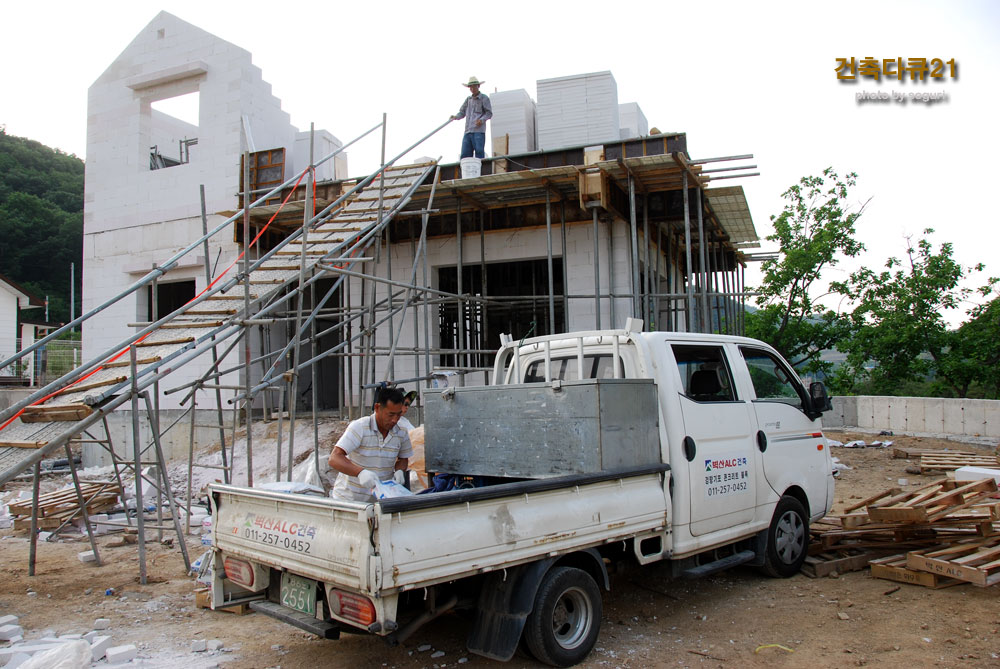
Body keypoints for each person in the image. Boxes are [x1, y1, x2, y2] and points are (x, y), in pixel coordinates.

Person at [328, 386, 413, 502]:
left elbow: (403, 459)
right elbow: (334, 458)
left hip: (379, 499)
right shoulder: (360, 427)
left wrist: (399, 471)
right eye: (390, 414)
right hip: (349, 500)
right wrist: (359, 472)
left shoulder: (401, 432)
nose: (394, 420)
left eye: (398, 415)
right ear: (377, 408)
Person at [450, 76, 492, 159]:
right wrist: (455, 117)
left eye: (474, 86)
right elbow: (462, 112)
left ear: (478, 86)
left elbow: (489, 113)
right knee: (465, 154)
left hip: (478, 131)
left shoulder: (484, 98)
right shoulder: (468, 100)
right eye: (471, 87)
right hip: (468, 131)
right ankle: (466, 170)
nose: (472, 88)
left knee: (479, 152)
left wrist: (481, 120)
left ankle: (480, 170)